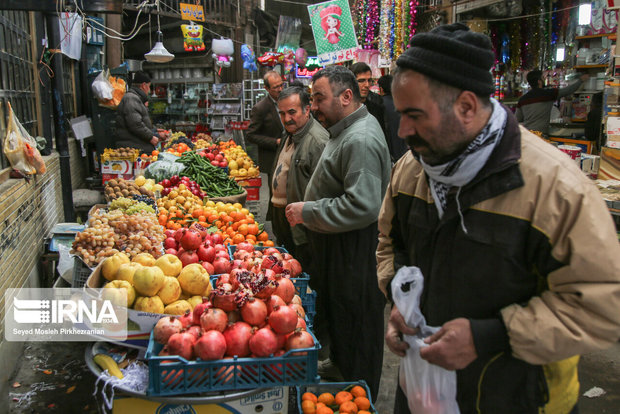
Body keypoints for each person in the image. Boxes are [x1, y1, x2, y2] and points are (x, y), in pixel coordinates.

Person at [376, 23, 620, 414]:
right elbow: (391, 244)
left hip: (520, 400)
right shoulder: (410, 171)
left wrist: (490, 336)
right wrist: (397, 302)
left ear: (467, 107)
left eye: (414, 115)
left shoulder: (556, 189)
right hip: (424, 393)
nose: (402, 130)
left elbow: (600, 306)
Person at [285, 65, 391, 401]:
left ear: (346, 97)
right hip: (340, 246)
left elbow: (363, 206)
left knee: (358, 318)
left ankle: (359, 390)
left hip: (356, 249)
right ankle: (344, 366)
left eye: (319, 98)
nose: (313, 106)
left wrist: (309, 211)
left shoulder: (359, 138)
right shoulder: (344, 130)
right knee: (344, 314)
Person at [270, 86, 329, 265]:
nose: (286, 119)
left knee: (302, 269)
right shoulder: (289, 134)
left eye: (292, 112)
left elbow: (324, 191)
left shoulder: (318, 141)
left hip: (302, 228)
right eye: (282, 113)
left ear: (307, 110)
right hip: (283, 219)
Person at [516, 69, 589, 135]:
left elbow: (517, 119)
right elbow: (568, 90)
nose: (544, 79)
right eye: (543, 77)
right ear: (539, 81)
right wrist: (580, 80)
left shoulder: (523, 99)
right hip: (541, 135)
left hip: (527, 135)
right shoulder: (548, 94)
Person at [246, 70, 284, 187]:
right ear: (267, 89)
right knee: (275, 194)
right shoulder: (260, 108)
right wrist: (274, 142)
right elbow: (251, 135)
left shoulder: (287, 101)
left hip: (289, 156)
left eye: (281, 85)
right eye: (275, 87)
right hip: (272, 159)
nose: (280, 89)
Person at [115, 71, 167, 153]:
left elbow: (139, 122)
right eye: (149, 87)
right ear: (143, 85)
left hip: (137, 146)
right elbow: (135, 124)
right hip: (134, 148)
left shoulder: (135, 98)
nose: (149, 90)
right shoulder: (131, 98)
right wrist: (151, 137)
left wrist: (154, 131)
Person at [350, 62, 386, 139]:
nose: (367, 85)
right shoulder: (344, 110)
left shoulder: (377, 107)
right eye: (361, 80)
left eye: (369, 80)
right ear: (351, 82)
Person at [378, 74, 408, 161]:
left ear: (381, 89)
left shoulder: (379, 104)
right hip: (404, 154)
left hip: (389, 155)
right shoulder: (403, 103)